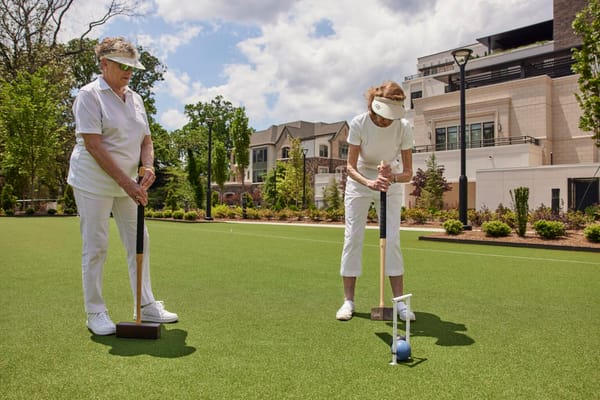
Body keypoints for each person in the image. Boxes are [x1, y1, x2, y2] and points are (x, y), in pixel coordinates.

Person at [67, 37, 178, 335]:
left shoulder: (136, 98)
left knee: (139, 241)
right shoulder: (89, 96)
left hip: (130, 184)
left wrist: (149, 166)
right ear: (104, 64)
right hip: (93, 183)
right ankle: (96, 311)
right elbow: (94, 145)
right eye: (121, 66)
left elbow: (146, 139)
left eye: (132, 67)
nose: (128, 72)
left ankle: (145, 305)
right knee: (96, 246)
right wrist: (128, 182)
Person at [336, 81, 416, 322]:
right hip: (360, 179)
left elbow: (409, 172)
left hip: (389, 180)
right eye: (382, 115)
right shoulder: (359, 122)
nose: (385, 121)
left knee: (392, 239)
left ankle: (400, 303)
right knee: (353, 238)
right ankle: (348, 301)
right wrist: (369, 182)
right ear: (374, 106)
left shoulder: (403, 127)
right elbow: (349, 167)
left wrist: (391, 177)